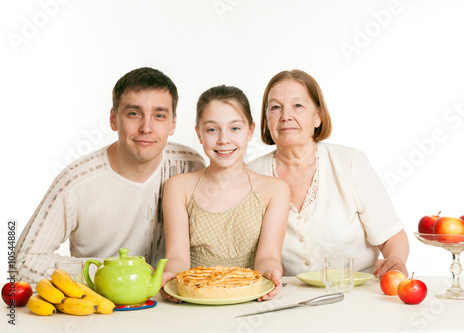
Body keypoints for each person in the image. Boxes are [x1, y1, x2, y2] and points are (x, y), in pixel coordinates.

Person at [15, 67, 205, 283]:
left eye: (159, 115)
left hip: (170, 305)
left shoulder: (190, 166)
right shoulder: (77, 181)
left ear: (173, 124)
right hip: (100, 306)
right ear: (114, 119)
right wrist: (108, 273)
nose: (146, 127)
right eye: (134, 113)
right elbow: (24, 261)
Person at [248, 69, 409, 278]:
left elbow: (392, 237)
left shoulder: (350, 163)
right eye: (275, 107)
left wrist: (395, 260)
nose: (286, 116)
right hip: (285, 298)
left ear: (318, 117)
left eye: (298, 106)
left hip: (355, 293)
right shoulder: (250, 175)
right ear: (266, 120)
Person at [160, 85, 290, 302]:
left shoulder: (275, 190)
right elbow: (176, 257)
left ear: (250, 130)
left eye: (235, 129)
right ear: (198, 134)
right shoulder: (178, 187)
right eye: (212, 129)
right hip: (195, 300)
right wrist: (171, 277)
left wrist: (271, 272)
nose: (223, 140)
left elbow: (268, 256)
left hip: (251, 300)